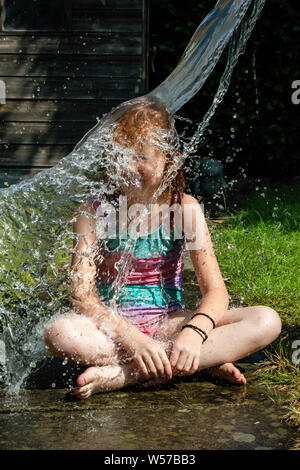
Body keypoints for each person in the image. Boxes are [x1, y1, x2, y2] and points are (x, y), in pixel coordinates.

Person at [44, 98, 282, 399]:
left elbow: (216, 292)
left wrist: (193, 334)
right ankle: (193, 363)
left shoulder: (184, 210)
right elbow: (82, 294)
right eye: (121, 156)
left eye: (141, 157)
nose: (128, 166)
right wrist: (131, 338)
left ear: (169, 160)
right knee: (59, 333)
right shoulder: (94, 211)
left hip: (169, 323)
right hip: (112, 332)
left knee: (266, 320)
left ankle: (126, 375)